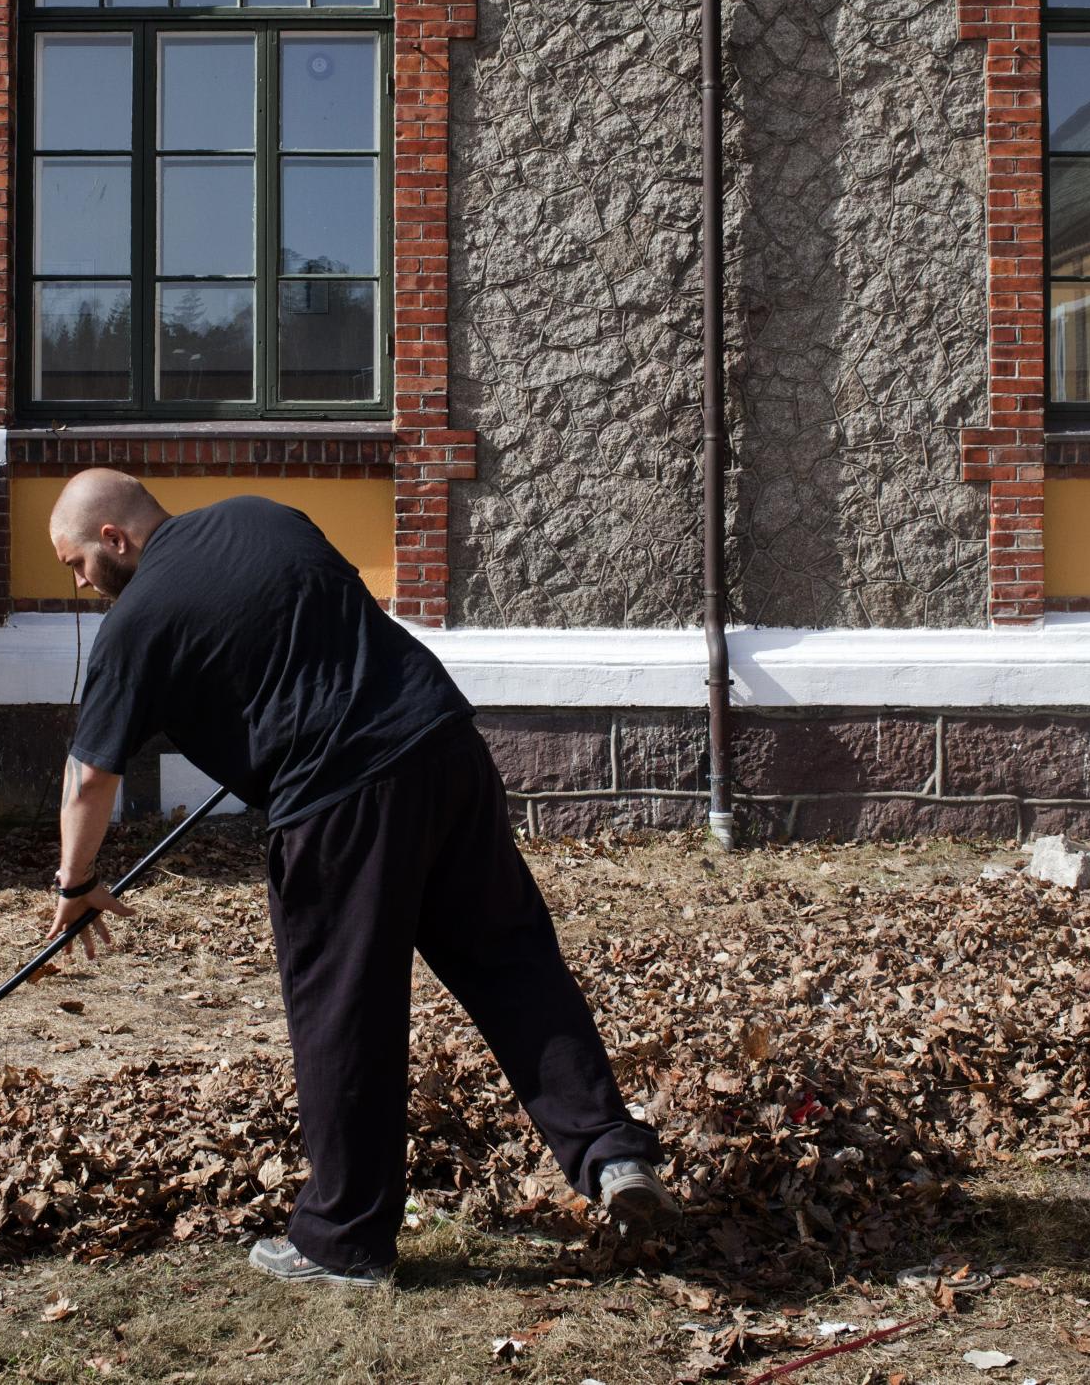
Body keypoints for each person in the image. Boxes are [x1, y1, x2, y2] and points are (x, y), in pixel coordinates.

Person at [42, 468, 675, 1287]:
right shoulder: (263, 515)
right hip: (443, 745)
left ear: (115, 538)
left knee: (344, 1012)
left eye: (77, 563)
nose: (81, 582)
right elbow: (315, 627)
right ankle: (611, 1155)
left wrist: (75, 882)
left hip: (340, 805)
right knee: (513, 963)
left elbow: (89, 777)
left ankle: (342, 1241)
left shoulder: (133, 623)